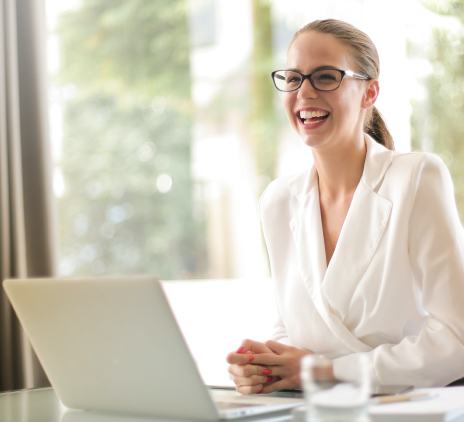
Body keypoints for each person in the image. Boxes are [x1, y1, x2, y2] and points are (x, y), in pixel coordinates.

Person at [226, 19, 464, 395]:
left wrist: (325, 371)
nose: (304, 92)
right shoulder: (278, 201)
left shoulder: (416, 178)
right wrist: (265, 367)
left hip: (407, 408)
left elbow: (456, 340)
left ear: (370, 92)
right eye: (293, 78)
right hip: (317, 409)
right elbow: (291, 329)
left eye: (325, 77)